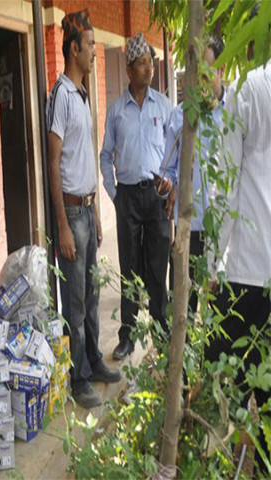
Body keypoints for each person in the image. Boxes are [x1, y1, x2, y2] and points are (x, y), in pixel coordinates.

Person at [46, 9, 121, 409]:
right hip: (70, 214)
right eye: (90, 45)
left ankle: (93, 361)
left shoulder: (83, 94)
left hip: (87, 209)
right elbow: (54, 162)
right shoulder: (60, 95)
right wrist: (64, 226)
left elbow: (86, 156)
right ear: (74, 49)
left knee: (91, 296)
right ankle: (77, 378)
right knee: (73, 303)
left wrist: (95, 212)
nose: (94, 51)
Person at [205, 46, 271, 474]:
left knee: (222, 376)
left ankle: (227, 460)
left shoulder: (253, 87)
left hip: (247, 269)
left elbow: (225, 184)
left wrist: (210, 266)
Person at [100, 32, 173, 360]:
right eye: (142, 64)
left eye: (151, 63)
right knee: (129, 268)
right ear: (129, 69)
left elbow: (175, 150)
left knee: (159, 268)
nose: (149, 69)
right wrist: (114, 194)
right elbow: (105, 155)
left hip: (157, 197)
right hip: (127, 198)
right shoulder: (116, 111)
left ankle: (162, 331)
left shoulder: (164, 106)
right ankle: (127, 337)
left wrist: (170, 184)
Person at [158, 37, 225, 315]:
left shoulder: (233, 115)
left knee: (219, 313)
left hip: (222, 232)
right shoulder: (179, 117)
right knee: (183, 310)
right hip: (187, 229)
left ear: (221, 70)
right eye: (197, 73)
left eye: (208, 72)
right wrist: (166, 185)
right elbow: (168, 172)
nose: (202, 80)